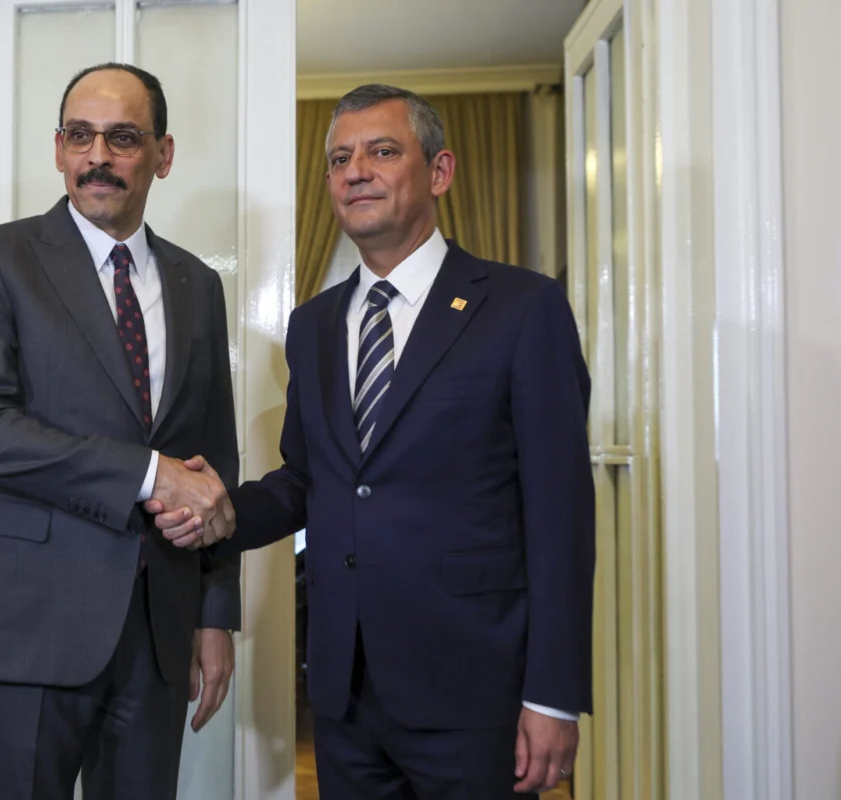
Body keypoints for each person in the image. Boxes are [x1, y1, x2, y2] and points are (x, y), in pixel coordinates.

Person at [151, 84, 595, 798]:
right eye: (339, 158)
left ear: (440, 171)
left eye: (382, 152)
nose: (355, 171)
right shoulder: (314, 325)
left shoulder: (522, 307)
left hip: (474, 690)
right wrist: (222, 512)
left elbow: (561, 515)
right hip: (344, 692)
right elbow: (308, 479)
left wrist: (552, 695)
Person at [0, 62, 239, 800]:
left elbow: (212, 467)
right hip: (24, 625)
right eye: (80, 135)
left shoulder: (198, 284)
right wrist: (148, 473)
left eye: (122, 138)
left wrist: (214, 615)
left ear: (163, 154)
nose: (97, 156)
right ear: (58, 148)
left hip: (157, 633)